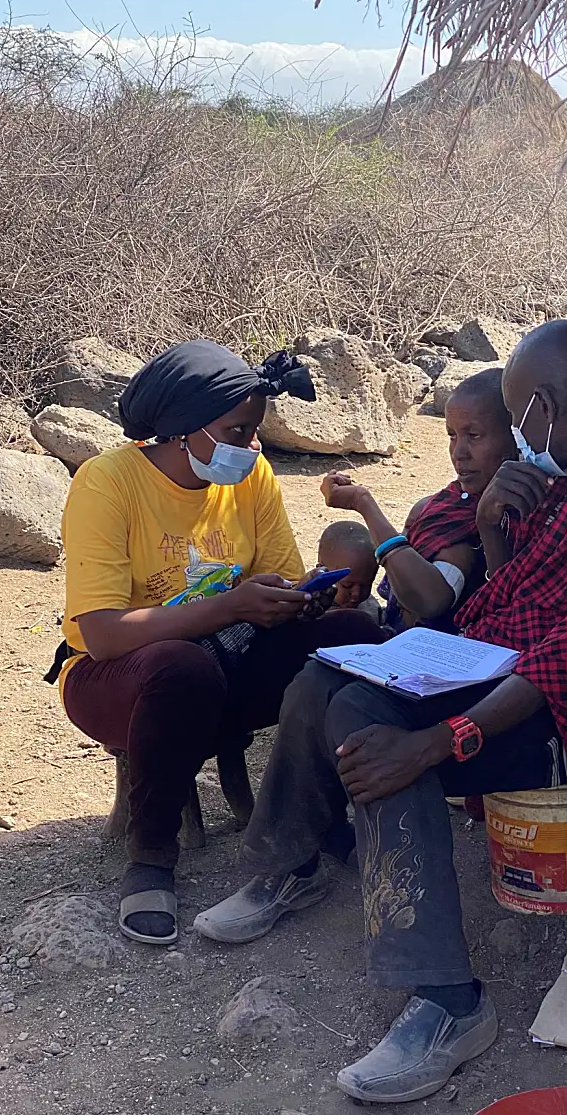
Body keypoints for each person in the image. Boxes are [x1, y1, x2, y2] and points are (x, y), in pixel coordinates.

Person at [194, 321, 567, 1103]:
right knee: (319, 685)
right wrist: (491, 533)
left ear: (542, 405)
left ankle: (448, 1002)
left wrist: (441, 740)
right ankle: (294, 864)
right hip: (533, 679)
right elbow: (523, 603)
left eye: (514, 416)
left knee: (386, 733)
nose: (513, 436)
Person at [53, 339, 383, 945]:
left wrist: (303, 599)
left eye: (255, 430)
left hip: (228, 656)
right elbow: (101, 635)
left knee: (354, 635)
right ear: (182, 430)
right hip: (118, 680)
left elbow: (276, 581)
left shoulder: (252, 475)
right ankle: (151, 858)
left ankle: (316, 822)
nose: (252, 446)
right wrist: (228, 606)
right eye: (237, 431)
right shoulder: (108, 482)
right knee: (181, 668)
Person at [320, 368, 517, 634]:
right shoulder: (443, 508)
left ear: (515, 436)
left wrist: (363, 503)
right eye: (452, 435)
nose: (459, 453)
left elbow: (431, 600)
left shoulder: (522, 513)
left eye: (474, 436)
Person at [317, 520, 382, 621]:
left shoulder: (372, 609)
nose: (356, 594)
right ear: (321, 572)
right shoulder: (308, 611)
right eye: (347, 586)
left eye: (366, 585)